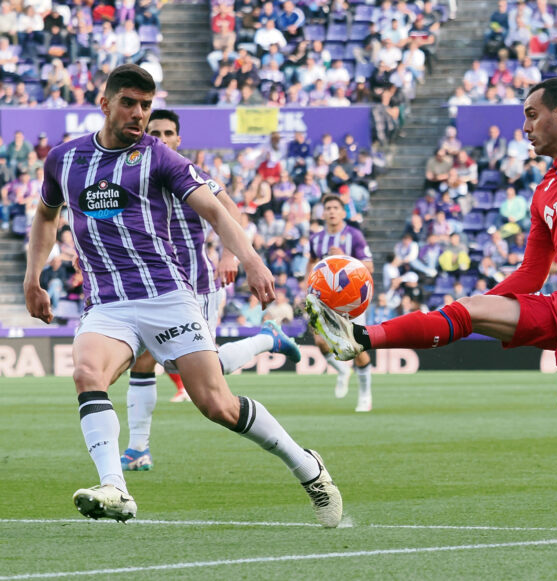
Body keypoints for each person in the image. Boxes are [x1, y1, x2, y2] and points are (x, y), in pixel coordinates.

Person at [307, 77, 557, 535]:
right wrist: (472, 307)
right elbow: (531, 276)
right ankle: (363, 337)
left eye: (532, 115)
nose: (525, 127)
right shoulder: (545, 191)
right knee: (472, 309)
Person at [23, 64, 342, 527]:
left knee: (218, 405)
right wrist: (33, 277)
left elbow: (215, 207)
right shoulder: (64, 160)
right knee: (87, 372)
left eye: (146, 105)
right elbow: (46, 216)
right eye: (129, 103)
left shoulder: (158, 157)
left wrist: (250, 259)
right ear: (105, 104)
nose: (138, 114)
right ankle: (116, 486)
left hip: (167, 296)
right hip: (108, 302)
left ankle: (307, 467)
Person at [119, 109, 303, 473]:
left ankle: (267, 338)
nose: (162, 137)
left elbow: (230, 211)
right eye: (154, 131)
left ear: (178, 139)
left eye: (168, 132)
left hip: (195, 287)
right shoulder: (131, 176)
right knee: (141, 361)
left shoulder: (190, 174)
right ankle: (138, 448)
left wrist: (229, 255)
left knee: (202, 372)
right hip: (148, 288)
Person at [307, 194, 375, 412]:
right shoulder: (316, 239)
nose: (331, 211)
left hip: (350, 301)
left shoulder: (354, 236)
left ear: (343, 212)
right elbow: (311, 262)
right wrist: (307, 286)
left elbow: (369, 267)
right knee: (320, 342)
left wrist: (345, 257)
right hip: (323, 300)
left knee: (355, 348)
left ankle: (365, 395)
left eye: (336, 207)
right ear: (323, 212)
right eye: (328, 208)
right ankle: (343, 371)